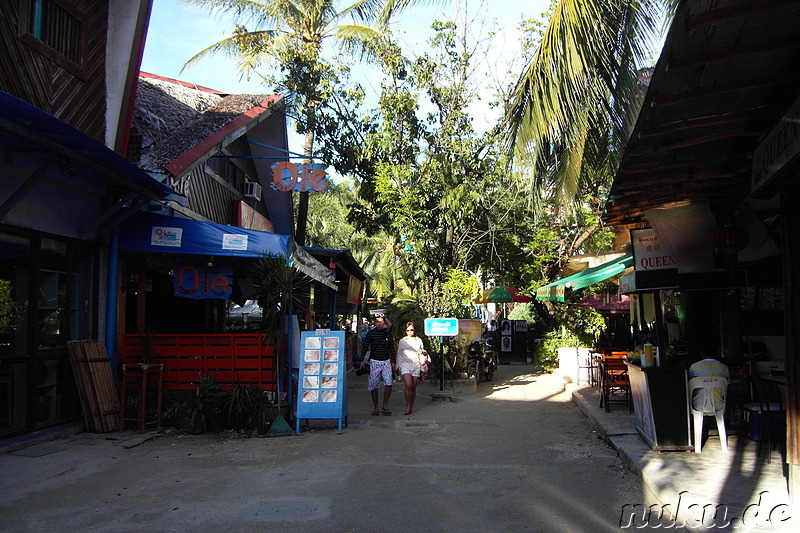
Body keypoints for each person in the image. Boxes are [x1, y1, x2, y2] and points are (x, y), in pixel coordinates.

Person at [358, 315, 396, 415]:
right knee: (374, 385)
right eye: (378, 322)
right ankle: (375, 407)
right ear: (375, 323)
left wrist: (394, 362)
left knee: (388, 383)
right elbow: (365, 346)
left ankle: (385, 405)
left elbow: (392, 348)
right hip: (374, 361)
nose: (380, 324)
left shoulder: (388, 333)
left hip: (386, 361)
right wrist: (361, 360)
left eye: (382, 322)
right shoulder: (371, 333)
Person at [396, 322, 428, 415]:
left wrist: (421, 352)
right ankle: (407, 406)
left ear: (414, 330)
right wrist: (397, 366)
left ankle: (411, 406)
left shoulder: (419, 340)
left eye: (411, 330)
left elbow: (423, 351)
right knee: (408, 385)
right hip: (405, 364)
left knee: (413, 387)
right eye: (408, 330)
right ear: (405, 331)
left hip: (416, 364)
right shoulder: (402, 341)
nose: (410, 332)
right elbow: (399, 353)